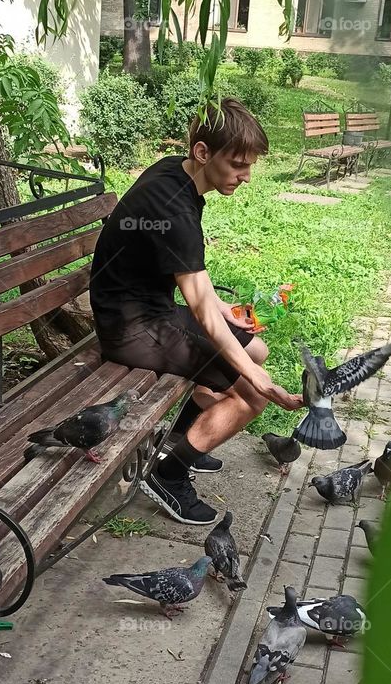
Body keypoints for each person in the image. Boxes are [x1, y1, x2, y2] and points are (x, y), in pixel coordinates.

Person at [89, 97, 302, 526]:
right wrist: (257, 379)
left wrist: (223, 308)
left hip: (148, 309)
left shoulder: (175, 172)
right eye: (238, 164)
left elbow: (192, 285)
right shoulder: (173, 211)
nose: (245, 176)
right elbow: (201, 312)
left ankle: (179, 441)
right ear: (203, 153)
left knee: (255, 350)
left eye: (250, 166)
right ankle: (169, 473)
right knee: (251, 394)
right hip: (131, 328)